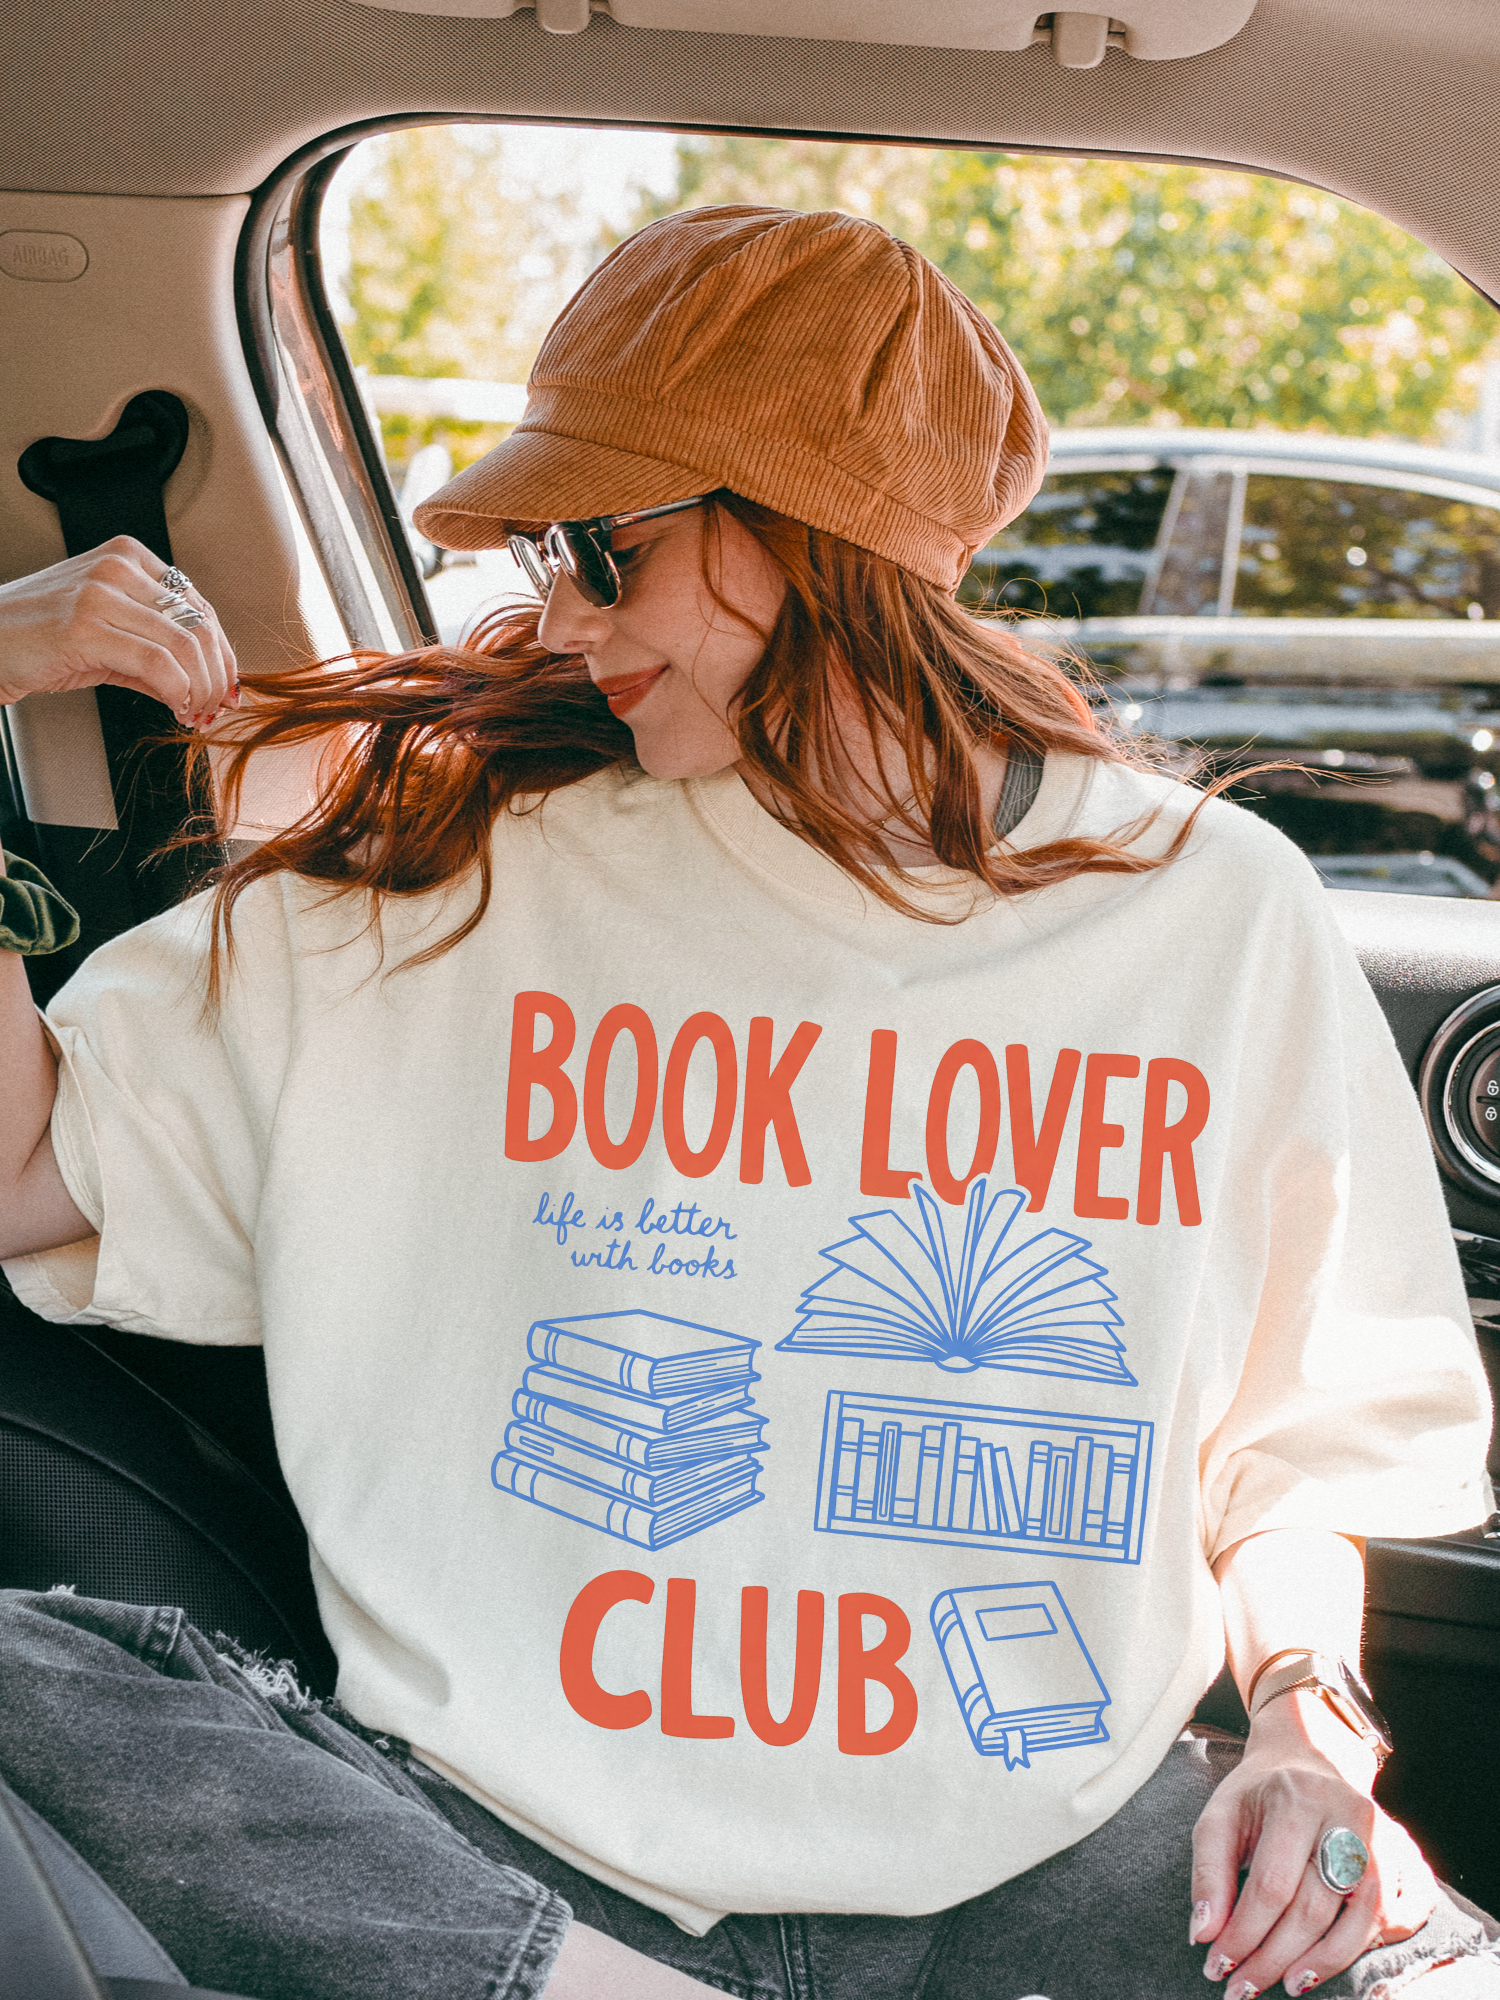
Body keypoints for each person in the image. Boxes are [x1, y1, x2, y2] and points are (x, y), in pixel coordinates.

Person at [0, 203, 1495, 2000]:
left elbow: (1297, 1450)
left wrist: (1308, 1739)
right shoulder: (434, 879)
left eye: (603, 552)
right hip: (485, 1844)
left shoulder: (1213, 910)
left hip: (1041, 1861)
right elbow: (23, 1169)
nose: (557, 612)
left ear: (811, 535)